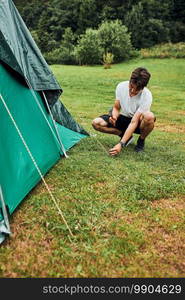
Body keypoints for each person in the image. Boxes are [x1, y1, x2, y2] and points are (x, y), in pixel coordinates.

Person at [92, 67, 155, 156]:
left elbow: (134, 122)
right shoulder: (121, 86)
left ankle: (141, 140)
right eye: (131, 86)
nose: (133, 91)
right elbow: (117, 107)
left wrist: (121, 144)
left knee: (149, 116)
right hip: (123, 118)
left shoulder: (147, 95)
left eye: (137, 90)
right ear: (130, 80)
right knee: (96, 123)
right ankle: (125, 136)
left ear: (143, 87)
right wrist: (114, 116)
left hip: (137, 123)